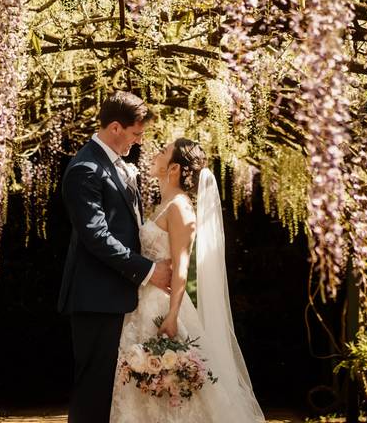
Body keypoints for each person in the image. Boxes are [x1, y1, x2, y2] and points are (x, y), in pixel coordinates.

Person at [110, 138, 265, 423]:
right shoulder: (164, 205)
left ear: (174, 168)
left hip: (162, 308)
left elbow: (181, 268)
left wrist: (172, 316)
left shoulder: (180, 208)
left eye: (163, 152)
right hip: (142, 302)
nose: (155, 154)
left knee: (171, 391)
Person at [58, 90, 173, 423]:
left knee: (112, 389)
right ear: (115, 128)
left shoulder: (117, 165)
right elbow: (97, 237)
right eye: (136, 134)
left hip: (117, 293)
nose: (138, 142)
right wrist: (149, 270)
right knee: (94, 388)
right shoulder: (86, 169)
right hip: (95, 296)